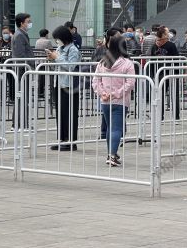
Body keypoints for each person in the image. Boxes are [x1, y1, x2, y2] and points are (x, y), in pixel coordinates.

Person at [92, 33, 137, 167]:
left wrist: (102, 93)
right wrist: (116, 94)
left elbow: (95, 81)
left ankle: (111, 153)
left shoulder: (102, 62)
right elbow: (130, 83)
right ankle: (112, 155)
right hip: (120, 101)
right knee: (117, 129)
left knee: (110, 128)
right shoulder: (128, 64)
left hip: (105, 101)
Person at [46, 25, 82, 151]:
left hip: (70, 85)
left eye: (58, 38)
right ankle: (62, 139)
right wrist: (51, 58)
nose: (57, 41)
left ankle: (71, 141)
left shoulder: (73, 50)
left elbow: (71, 66)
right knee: (60, 113)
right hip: (59, 83)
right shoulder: (60, 48)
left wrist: (57, 58)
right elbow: (58, 64)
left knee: (70, 113)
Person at [11, 13, 35, 129]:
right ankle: (20, 124)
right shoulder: (19, 35)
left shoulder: (22, 34)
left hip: (24, 70)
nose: (30, 23)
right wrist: (28, 65)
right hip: (22, 70)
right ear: (21, 23)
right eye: (28, 21)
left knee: (22, 97)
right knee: (22, 97)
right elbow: (20, 55)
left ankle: (20, 123)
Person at [153, 26, 181, 120]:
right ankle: (176, 116)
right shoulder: (171, 45)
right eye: (167, 32)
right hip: (170, 72)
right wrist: (177, 73)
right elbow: (177, 59)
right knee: (174, 95)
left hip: (160, 73)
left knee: (160, 95)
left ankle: (160, 116)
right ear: (164, 34)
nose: (169, 34)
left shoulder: (155, 45)